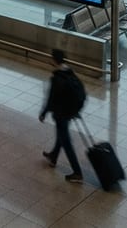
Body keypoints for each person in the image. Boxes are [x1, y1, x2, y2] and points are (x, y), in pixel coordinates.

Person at [39, 49, 84, 184]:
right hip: (69, 112)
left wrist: (43, 113)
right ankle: (53, 157)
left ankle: (77, 172)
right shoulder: (70, 73)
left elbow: (51, 98)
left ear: (54, 60)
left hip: (61, 114)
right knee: (61, 134)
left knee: (66, 142)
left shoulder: (57, 78)